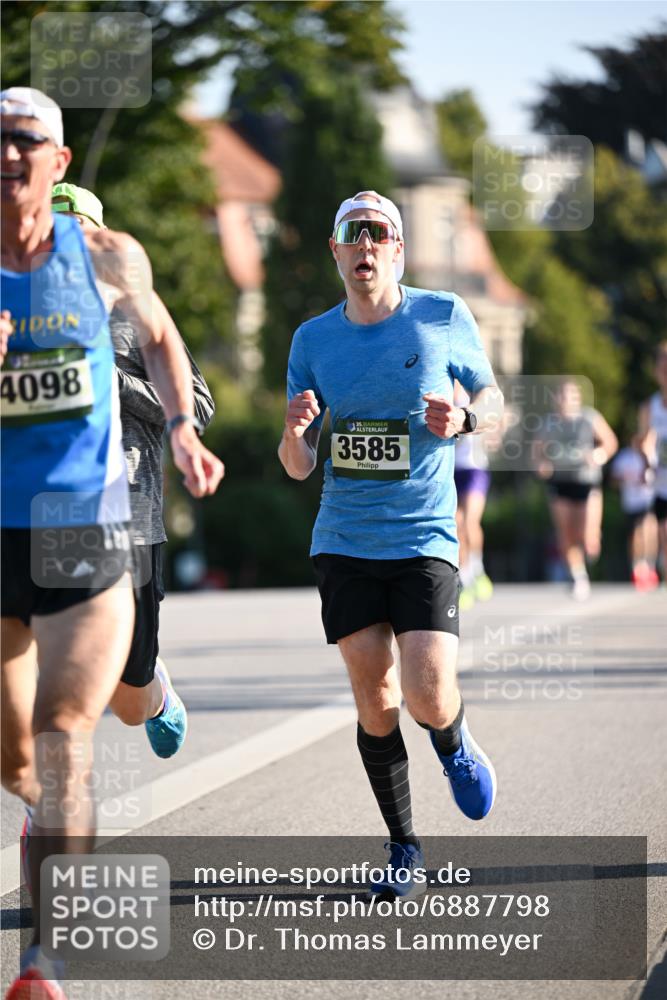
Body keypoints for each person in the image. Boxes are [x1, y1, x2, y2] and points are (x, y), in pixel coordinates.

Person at [1, 87, 224, 999]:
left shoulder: (106, 255)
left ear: (56, 163)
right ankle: (54, 824)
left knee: (62, 740)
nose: (10, 155)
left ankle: (41, 960)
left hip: (86, 530)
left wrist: (180, 427)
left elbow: (165, 339)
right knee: (18, 759)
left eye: (27, 141)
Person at [279, 190, 503, 901]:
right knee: (375, 699)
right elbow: (297, 465)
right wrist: (293, 433)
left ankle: (453, 742)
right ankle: (403, 846)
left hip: (423, 535)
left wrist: (464, 416)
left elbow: (495, 402)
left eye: (380, 236)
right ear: (336, 251)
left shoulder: (440, 315)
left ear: (397, 251)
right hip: (344, 538)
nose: (366, 247)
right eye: (354, 236)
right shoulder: (312, 341)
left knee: (427, 692)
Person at [51, 182, 215, 757]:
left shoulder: (133, 308)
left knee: (128, 701)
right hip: (48, 511)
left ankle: (155, 692)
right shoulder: (21, 310)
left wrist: (112, 379)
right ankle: (46, 806)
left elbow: (198, 404)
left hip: (131, 518)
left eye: (80, 232)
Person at [534, 378, 618, 600]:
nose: (565, 400)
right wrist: (542, 465)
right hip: (560, 482)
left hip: (586, 481)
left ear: (578, 398)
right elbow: (537, 451)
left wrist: (598, 455)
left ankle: (592, 540)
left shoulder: (589, 418)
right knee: (566, 534)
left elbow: (610, 442)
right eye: (561, 396)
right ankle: (578, 576)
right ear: (555, 399)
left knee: (587, 536)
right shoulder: (549, 424)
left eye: (570, 396)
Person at [453, 382, 493, 610]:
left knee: (469, 522)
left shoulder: (477, 392)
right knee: (456, 524)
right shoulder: (440, 390)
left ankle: (477, 568)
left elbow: (495, 417)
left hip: (475, 469)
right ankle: (464, 575)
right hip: (452, 469)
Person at [610, 438, 658, 589]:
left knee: (648, 530)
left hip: (649, 500)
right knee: (635, 535)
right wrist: (625, 478)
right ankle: (637, 566)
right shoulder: (624, 457)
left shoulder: (653, 454)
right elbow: (613, 480)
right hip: (630, 502)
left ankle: (650, 565)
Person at [637, 341, 667, 582]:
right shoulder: (650, 407)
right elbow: (643, 440)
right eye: (662, 364)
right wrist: (646, 458)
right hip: (661, 482)